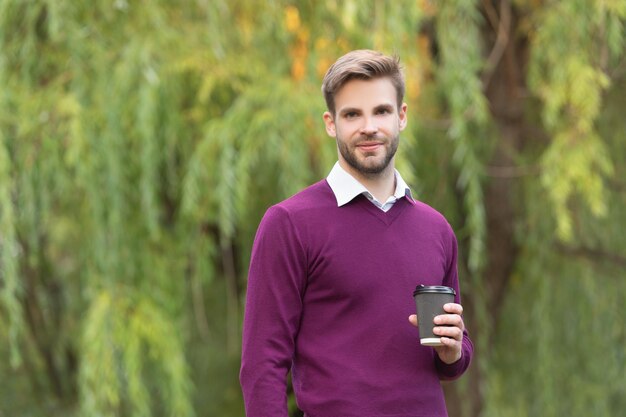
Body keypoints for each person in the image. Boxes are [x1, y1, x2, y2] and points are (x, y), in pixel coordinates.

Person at [240, 49, 473, 417]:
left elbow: (453, 359)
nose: (369, 127)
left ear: (402, 116)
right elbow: (262, 365)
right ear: (331, 123)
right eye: (352, 114)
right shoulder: (289, 223)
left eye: (381, 111)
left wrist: (454, 349)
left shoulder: (436, 229)